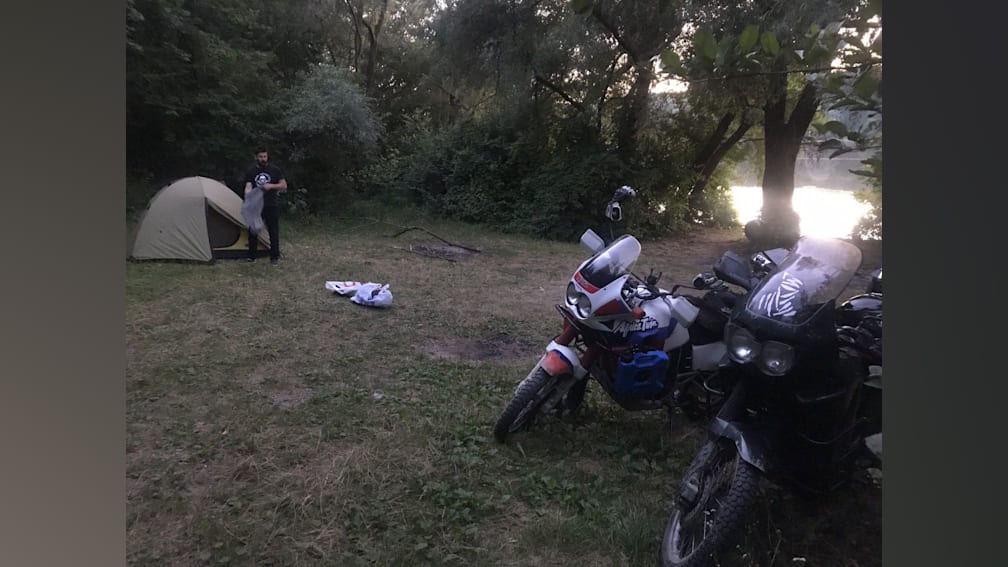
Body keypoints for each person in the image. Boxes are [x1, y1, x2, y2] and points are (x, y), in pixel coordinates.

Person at [242, 148, 287, 264]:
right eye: (261, 157)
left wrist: (271, 186)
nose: (263, 159)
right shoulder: (251, 171)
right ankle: (251, 257)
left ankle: (274, 257)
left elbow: (283, 185)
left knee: (273, 231)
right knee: (253, 230)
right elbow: (248, 186)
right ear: (256, 157)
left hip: (271, 204)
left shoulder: (275, 170)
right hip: (256, 206)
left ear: (267, 157)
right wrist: (248, 196)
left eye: (265, 156)